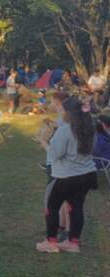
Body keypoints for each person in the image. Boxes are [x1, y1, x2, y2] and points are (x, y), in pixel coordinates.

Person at [37, 98, 99, 253]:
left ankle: (50, 242)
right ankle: (73, 243)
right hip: (87, 174)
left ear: (69, 113)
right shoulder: (90, 128)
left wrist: (43, 141)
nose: (61, 112)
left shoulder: (66, 130)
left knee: (51, 206)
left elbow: (55, 154)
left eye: (63, 110)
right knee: (76, 207)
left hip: (66, 177)